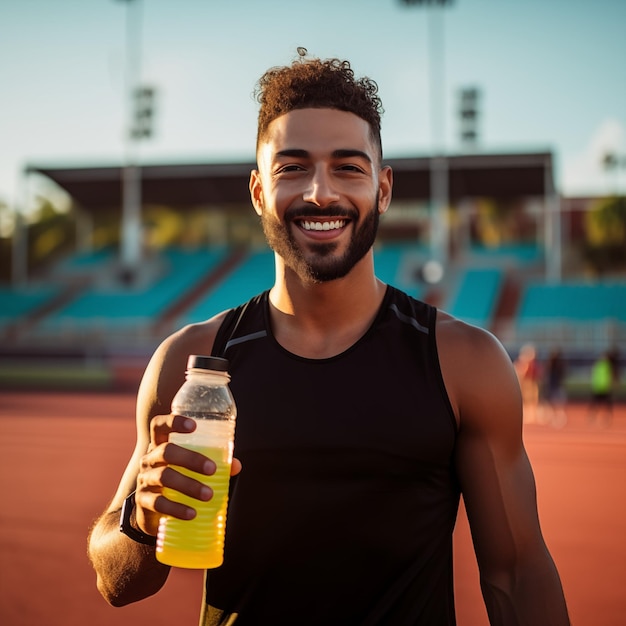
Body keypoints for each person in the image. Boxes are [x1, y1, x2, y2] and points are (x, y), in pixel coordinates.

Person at [88, 53, 570, 625]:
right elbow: (118, 583)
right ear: (258, 191)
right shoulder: (190, 366)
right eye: (292, 167)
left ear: (383, 189)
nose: (320, 192)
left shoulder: (462, 362)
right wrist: (140, 523)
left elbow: (516, 573)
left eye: (348, 167)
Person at [514, 343, 541, 424]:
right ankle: (529, 414)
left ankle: (533, 415)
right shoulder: (523, 363)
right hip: (527, 382)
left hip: (532, 382)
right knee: (527, 399)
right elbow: (519, 372)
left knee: (533, 399)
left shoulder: (532, 363)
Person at [587, 350, 615, 425]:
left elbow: (609, 376)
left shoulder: (604, 364)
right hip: (599, 387)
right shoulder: (601, 364)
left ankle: (606, 418)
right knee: (597, 403)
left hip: (602, 387)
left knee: (605, 404)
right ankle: (593, 417)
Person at [543, 347, 568, 428]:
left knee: (556, 403)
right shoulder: (555, 364)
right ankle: (556, 416)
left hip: (554, 386)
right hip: (554, 386)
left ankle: (559, 416)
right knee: (555, 403)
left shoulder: (555, 365)